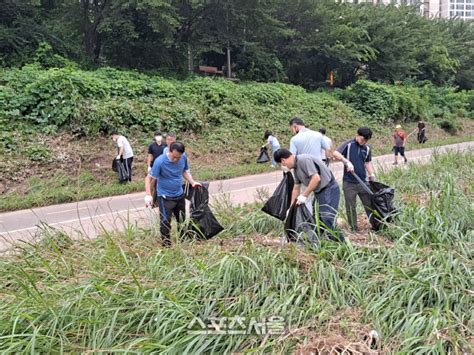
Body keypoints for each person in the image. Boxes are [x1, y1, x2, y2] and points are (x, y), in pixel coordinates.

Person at [274, 149, 343, 241]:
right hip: (319, 192)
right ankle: (324, 243)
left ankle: (341, 243)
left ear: (283, 160)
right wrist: (290, 207)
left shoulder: (304, 160)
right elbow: (296, 187)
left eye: (282, 164)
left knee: (327, 218)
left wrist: (304, 195)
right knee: (319, 220)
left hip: (329, 188)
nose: (283, 166)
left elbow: (316, 178)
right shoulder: (296, 168)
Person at [144, 142, 201, 247]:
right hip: (165, 197)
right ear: (169, 151)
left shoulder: (183, 157)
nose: (176, 159)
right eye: (174, 157)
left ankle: (183, 241)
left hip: (179, 195)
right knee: (165, 222)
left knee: (182, 220)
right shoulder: (160, 161)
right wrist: (148, 194)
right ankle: (167, 245)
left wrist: (192, 182)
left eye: (178, 157)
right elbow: (149, 178)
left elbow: (184, 171)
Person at [333, 127, 379, 232]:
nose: (364, 142)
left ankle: (376, 225)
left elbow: (367, 162)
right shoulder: (349, 144)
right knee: (350, 206)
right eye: (362, 139)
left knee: (369, 204)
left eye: (366, 140)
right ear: (357, 135)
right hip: (349, 182)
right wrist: (346, 162)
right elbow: (335, 153)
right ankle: (353, 228)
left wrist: (372, 174)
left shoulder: (367, 148)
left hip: (363, 181)